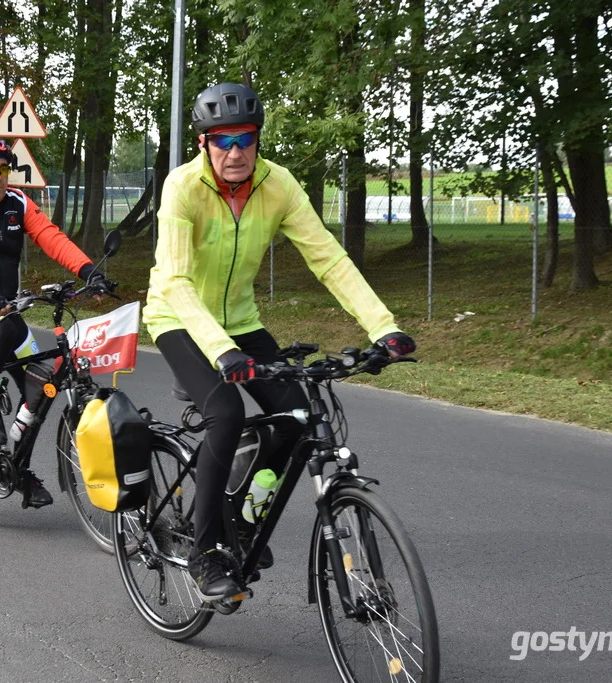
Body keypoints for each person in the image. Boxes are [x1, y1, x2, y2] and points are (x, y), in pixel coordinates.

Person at [143, 83, 416, 601]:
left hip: (241, 321)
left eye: (244, 138)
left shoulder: (279, 185)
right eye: (221, 140)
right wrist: (222, 352)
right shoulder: (182, 187)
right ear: (203, 144)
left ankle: (243, 521)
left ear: (258, 139)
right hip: (177, 316)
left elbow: (329, 259)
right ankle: (205, 553)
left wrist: (384, 327)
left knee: (295, 420)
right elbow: (176, 282)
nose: (234, 151)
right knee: (225, 414)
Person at [0, 135, 108, 508]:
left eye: (4, 169)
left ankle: (16, 469)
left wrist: (89, 270)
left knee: (41, 387)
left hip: (4, 310)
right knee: (6, 328)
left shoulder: (17, 203)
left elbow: (51, 237)